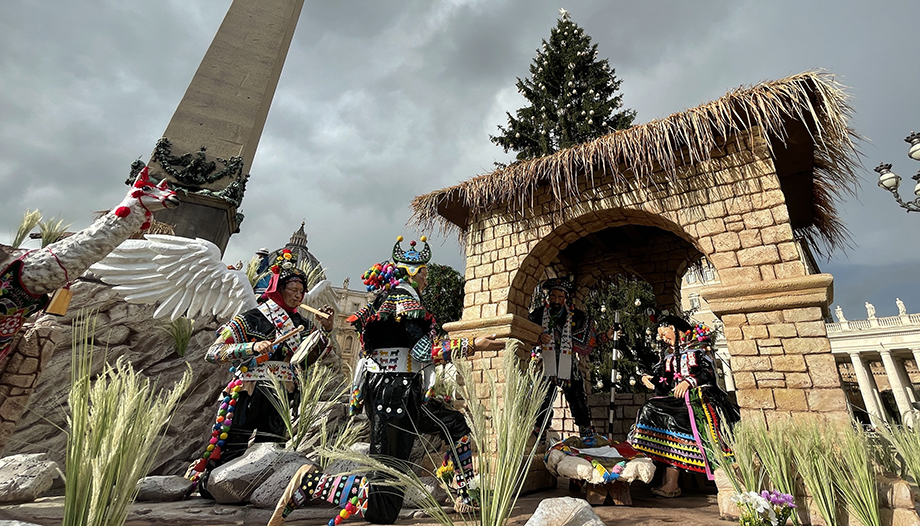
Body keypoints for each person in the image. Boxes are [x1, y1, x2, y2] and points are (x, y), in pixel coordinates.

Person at [268, 236, 503, 526]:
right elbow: (422, 351)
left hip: (404, 391)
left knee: (456, 426)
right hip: (393, 395)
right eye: (425, 274)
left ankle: (464, 493)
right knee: (385, 500)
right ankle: (311, 484)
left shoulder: (393, 298)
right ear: (414, 274)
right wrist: (472, 344)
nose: (427, 280)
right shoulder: (402, 300)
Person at [187, 248, 335, 496]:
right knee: (232, 443)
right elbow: (213, 352)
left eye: (302, 292)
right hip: (248, 391)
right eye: (294, 290)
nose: (299, 296)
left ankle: (255, 492)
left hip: (282, 393)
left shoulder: (304, 325)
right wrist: (251, 346)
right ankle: (214, 488)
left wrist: (326, 332)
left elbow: (308, 360)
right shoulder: (250, 318)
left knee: (271, 448)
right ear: (278, 288)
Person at [627, 315, 739, 498]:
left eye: (664, 334)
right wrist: (651, 381)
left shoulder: (700, 348)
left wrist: (689, 382)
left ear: (675, 328)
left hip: (702, 398)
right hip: (678, 401)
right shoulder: (669, 355)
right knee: (651, 409)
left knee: (687, 423)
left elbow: (708, 374)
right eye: (661, 336)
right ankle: (668, 480)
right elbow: (666, 381)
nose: (663, 339)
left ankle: (678, 481)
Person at [528, 277, 601, 440]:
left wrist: (607, 336)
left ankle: (586, 431)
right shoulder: (538, 315)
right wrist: (539, 338)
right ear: (547, 298)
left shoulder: (576, 316)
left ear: (566, 299)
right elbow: (526, 334)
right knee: (543, 398)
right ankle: (539, 432)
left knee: (577, 397)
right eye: (553, 296)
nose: (556, 300)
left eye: (561, 297)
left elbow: (590, 339)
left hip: (568, 365)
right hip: (544, 363)